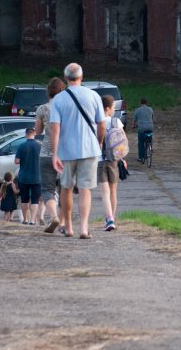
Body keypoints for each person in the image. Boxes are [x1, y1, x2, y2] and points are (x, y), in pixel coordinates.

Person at [49, 63, 106, 240]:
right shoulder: (94, 96)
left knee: (66, 188)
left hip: (66, 151)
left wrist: (54, 153)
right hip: (89, 149)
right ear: (82, 76)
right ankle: (83, 228)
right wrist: (99, 143)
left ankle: (69, 227)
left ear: (65, 78)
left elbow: (55, 128)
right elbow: (101, 124)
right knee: (85, 189)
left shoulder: (59, 99)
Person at [36, 77, 66, 232]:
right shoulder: (66, 108)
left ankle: (53, 216)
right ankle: (62, 222)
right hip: (64, 154)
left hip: (46, 153)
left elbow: (38, 131)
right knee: (64, 189)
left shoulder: (42, 109)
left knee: (47, 189)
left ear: (48, 91)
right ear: (62, 90)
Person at [97, 94, 124, 231]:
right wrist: (122, 159)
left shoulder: (96, 122)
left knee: (105, 192)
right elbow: (122, 143)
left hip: (100, 160)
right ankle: (113, 218)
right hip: (113, 160)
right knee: (114, 191)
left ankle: (109, 219)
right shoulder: (116, 122)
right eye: (113, 107)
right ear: (108, 108)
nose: (114, 110)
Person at [15, 127, 42, 225]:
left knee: (24, 199)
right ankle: (33, 220)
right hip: (37, 177)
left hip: (24, 177)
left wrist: (24, 160)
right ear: (34, 133)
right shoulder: (40, 146)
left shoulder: (21, 146)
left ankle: (25, 219)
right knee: (35, 200)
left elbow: (16, 161)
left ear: (26, 134)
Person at [132, 97, 154, 163]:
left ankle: (141, 158)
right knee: (149, 138)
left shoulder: (137, 110)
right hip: (150, 127)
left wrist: (134, 126)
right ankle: (151, 147)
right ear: (146, 103)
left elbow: (135, 120)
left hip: (141, 129)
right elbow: (152, 117)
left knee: (141, 142)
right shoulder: (150, 109)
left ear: (140, 103)